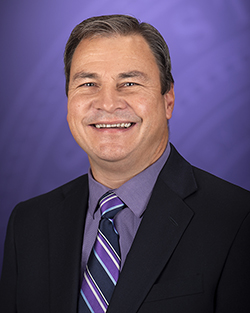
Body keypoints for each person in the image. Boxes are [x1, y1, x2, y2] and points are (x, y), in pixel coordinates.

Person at [0, 14, 250, 313]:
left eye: (129, 83)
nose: (107, 103)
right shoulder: (29, 223)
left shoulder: (237, 219)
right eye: (89, 83)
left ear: (168, 99)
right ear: (68, 100)